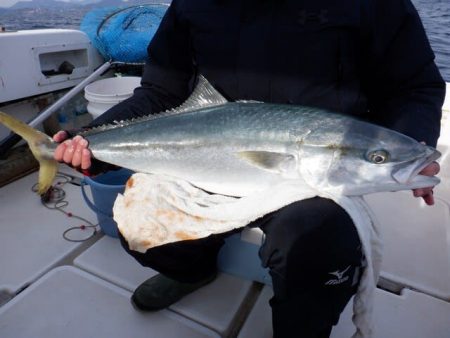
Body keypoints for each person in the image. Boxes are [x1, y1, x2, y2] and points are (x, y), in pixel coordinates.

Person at [53, 0, 445, 337]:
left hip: (311, 174)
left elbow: (414, 87)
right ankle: (192, 271)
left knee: (317, 247)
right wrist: (87, 140)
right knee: (140, 222)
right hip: (205, 155)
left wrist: (411, 146)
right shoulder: (196, 3)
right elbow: (162, 90)